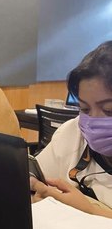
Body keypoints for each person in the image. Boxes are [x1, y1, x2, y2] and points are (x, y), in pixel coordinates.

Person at [30, 41, 112, 219]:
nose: (93, 122)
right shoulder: (72, 133)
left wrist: (90, 211)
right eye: (85, 109)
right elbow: (38, 176)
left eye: (109, 110)